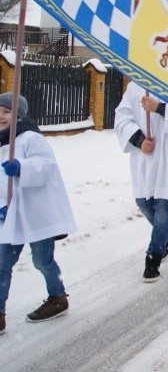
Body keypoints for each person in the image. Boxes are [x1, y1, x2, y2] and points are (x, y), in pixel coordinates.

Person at [0, 93, 76, 335]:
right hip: (9, 216)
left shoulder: (30, 138)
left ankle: (58, 297)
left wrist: (22, 167)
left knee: (41, 260)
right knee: (2, 263)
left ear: (19, 114)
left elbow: (46, 167)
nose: (1, 116)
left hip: (34, 214)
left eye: (7, 111)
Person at [115, 82, 168, 282]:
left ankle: (153, 259)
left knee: (163, 208)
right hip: (145, 157)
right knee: (143, 201)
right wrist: (138, 140)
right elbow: (122, 117)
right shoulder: (135, 86)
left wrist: (159, 108)